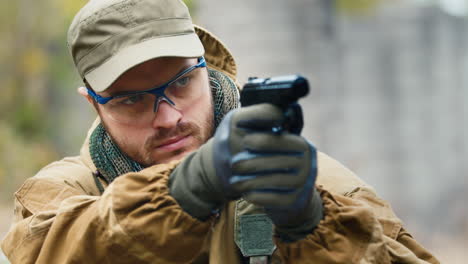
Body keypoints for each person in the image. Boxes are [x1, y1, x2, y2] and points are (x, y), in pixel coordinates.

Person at [1, 0, 439, 263]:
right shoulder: (64, 191)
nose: (169, 117)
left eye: (180, 83)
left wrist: (315, 227)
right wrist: (189, 187)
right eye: (131, 99)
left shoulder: (314, 186)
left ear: (205, 68)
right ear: (92, 102)